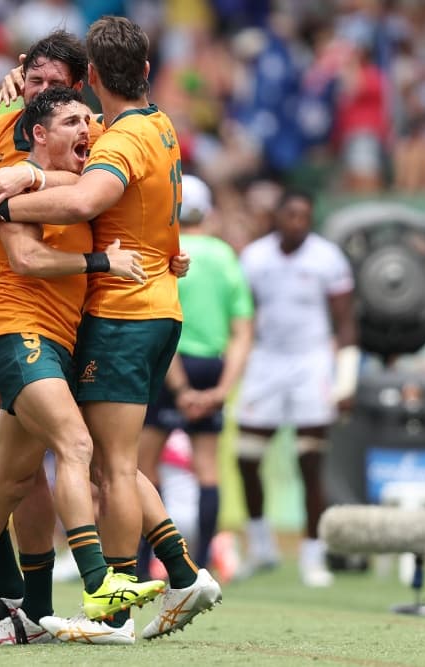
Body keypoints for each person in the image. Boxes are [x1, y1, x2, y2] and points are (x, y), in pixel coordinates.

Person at [0, 29, 192, 645]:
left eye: (74, 102)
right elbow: (21, 251)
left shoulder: (98, 145)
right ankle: (102, 583)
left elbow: (119, 200)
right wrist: (94, 260)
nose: (80, 127)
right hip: (14, 325)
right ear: (28, 97)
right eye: (46, 95)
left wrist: (167, 252)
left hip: (61, 332)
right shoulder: (9, 162)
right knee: (72, 448)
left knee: (18, 473)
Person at [0, 16, 222, 641]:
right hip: (154, 304)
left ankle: (117, 610)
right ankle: (183, 575)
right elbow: (118, 190)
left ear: (96, 78)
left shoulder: (119, 140)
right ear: (149, 72)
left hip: (121, 312)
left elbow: (85, 200)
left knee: (108, 463)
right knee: (110, 462)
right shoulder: (157, 125)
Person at [234, 189, 357, 588]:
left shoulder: (327, 258)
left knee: (310, 463)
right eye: (291, 215)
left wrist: (346, 378)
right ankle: (261, 546)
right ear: (278, 217)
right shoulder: (254, 257)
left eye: (305, 216)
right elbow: (244, 315)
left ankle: (312, 554)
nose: (297, 223)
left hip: (312, 362)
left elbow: (345, 322)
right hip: (266, 361)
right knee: (246, 457)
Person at [138, 174, 254, 573]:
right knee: (207, 469)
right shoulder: (225, 256)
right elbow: (242, 330)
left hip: (167, 363)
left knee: (142, 467)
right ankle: (200, 564)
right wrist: (221, 389)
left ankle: (138, 564)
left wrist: (180, 386)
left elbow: (158, 322)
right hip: (211, 367)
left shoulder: (163, 251)